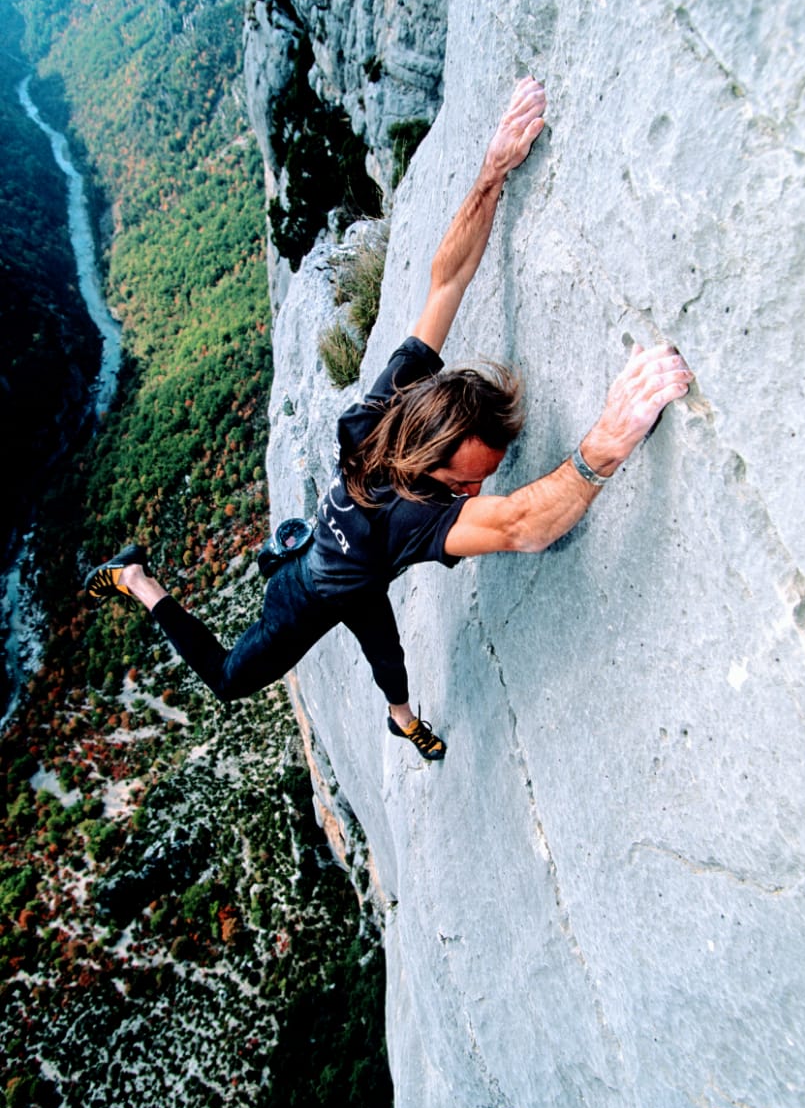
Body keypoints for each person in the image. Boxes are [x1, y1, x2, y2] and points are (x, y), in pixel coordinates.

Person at [85, 76, 693, 760]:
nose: (474, 493)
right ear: (427, 459)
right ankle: (137, 579)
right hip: (308, 590)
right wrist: (605, 442)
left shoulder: (390, 404)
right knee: (231, 680)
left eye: (480, 479)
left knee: (388, 661)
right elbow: (525, 524)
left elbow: (447, 280)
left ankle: (401, 720)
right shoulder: (416, 515)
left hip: (360, 569)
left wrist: (492, 172)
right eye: (465, 482)